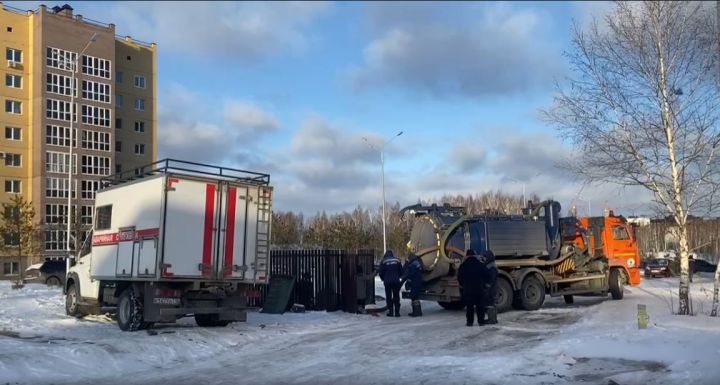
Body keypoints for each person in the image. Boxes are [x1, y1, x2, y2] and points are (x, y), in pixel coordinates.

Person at [457, 249, 485, 326]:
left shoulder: (463, 265)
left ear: (467, 256)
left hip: (468, 290)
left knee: (469, 307)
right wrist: (484, 285)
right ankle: (481, 321)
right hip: (479, 289)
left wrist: (463, 285)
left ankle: (470, 322)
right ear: (474, 255)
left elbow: (459, 277)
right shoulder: (480, 264)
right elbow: (486, 275)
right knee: (480, 306)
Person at [378, 250, 403, 317]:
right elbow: (401, 271)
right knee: (396, 296)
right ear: (392, 254)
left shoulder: (383, 261)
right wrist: (398, 276)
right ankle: (397, 312)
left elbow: (381, 272)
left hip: (387, 282)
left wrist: (383, 279)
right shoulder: (397, 260)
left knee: (388, 296)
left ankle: (391, 312)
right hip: (396, 281)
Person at [478, 250, 499, 324]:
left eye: (485, 257)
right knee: (491, 303)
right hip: (492, 288)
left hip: (491, 289)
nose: (484, 259)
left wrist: (487, 287)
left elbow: (491, 279)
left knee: (490, 304)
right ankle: (493, 319)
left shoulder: (491, 267)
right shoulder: (490, 265)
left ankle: (492, 320)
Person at [401, 253, 423, 317]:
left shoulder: (412, 265)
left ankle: (416, 312)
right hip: (418, 282)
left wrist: (408, 282)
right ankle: (418, 311)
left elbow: (411, 275)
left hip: (414, 283)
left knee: (414, 297)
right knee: (416, 297)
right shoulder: (418, 263)